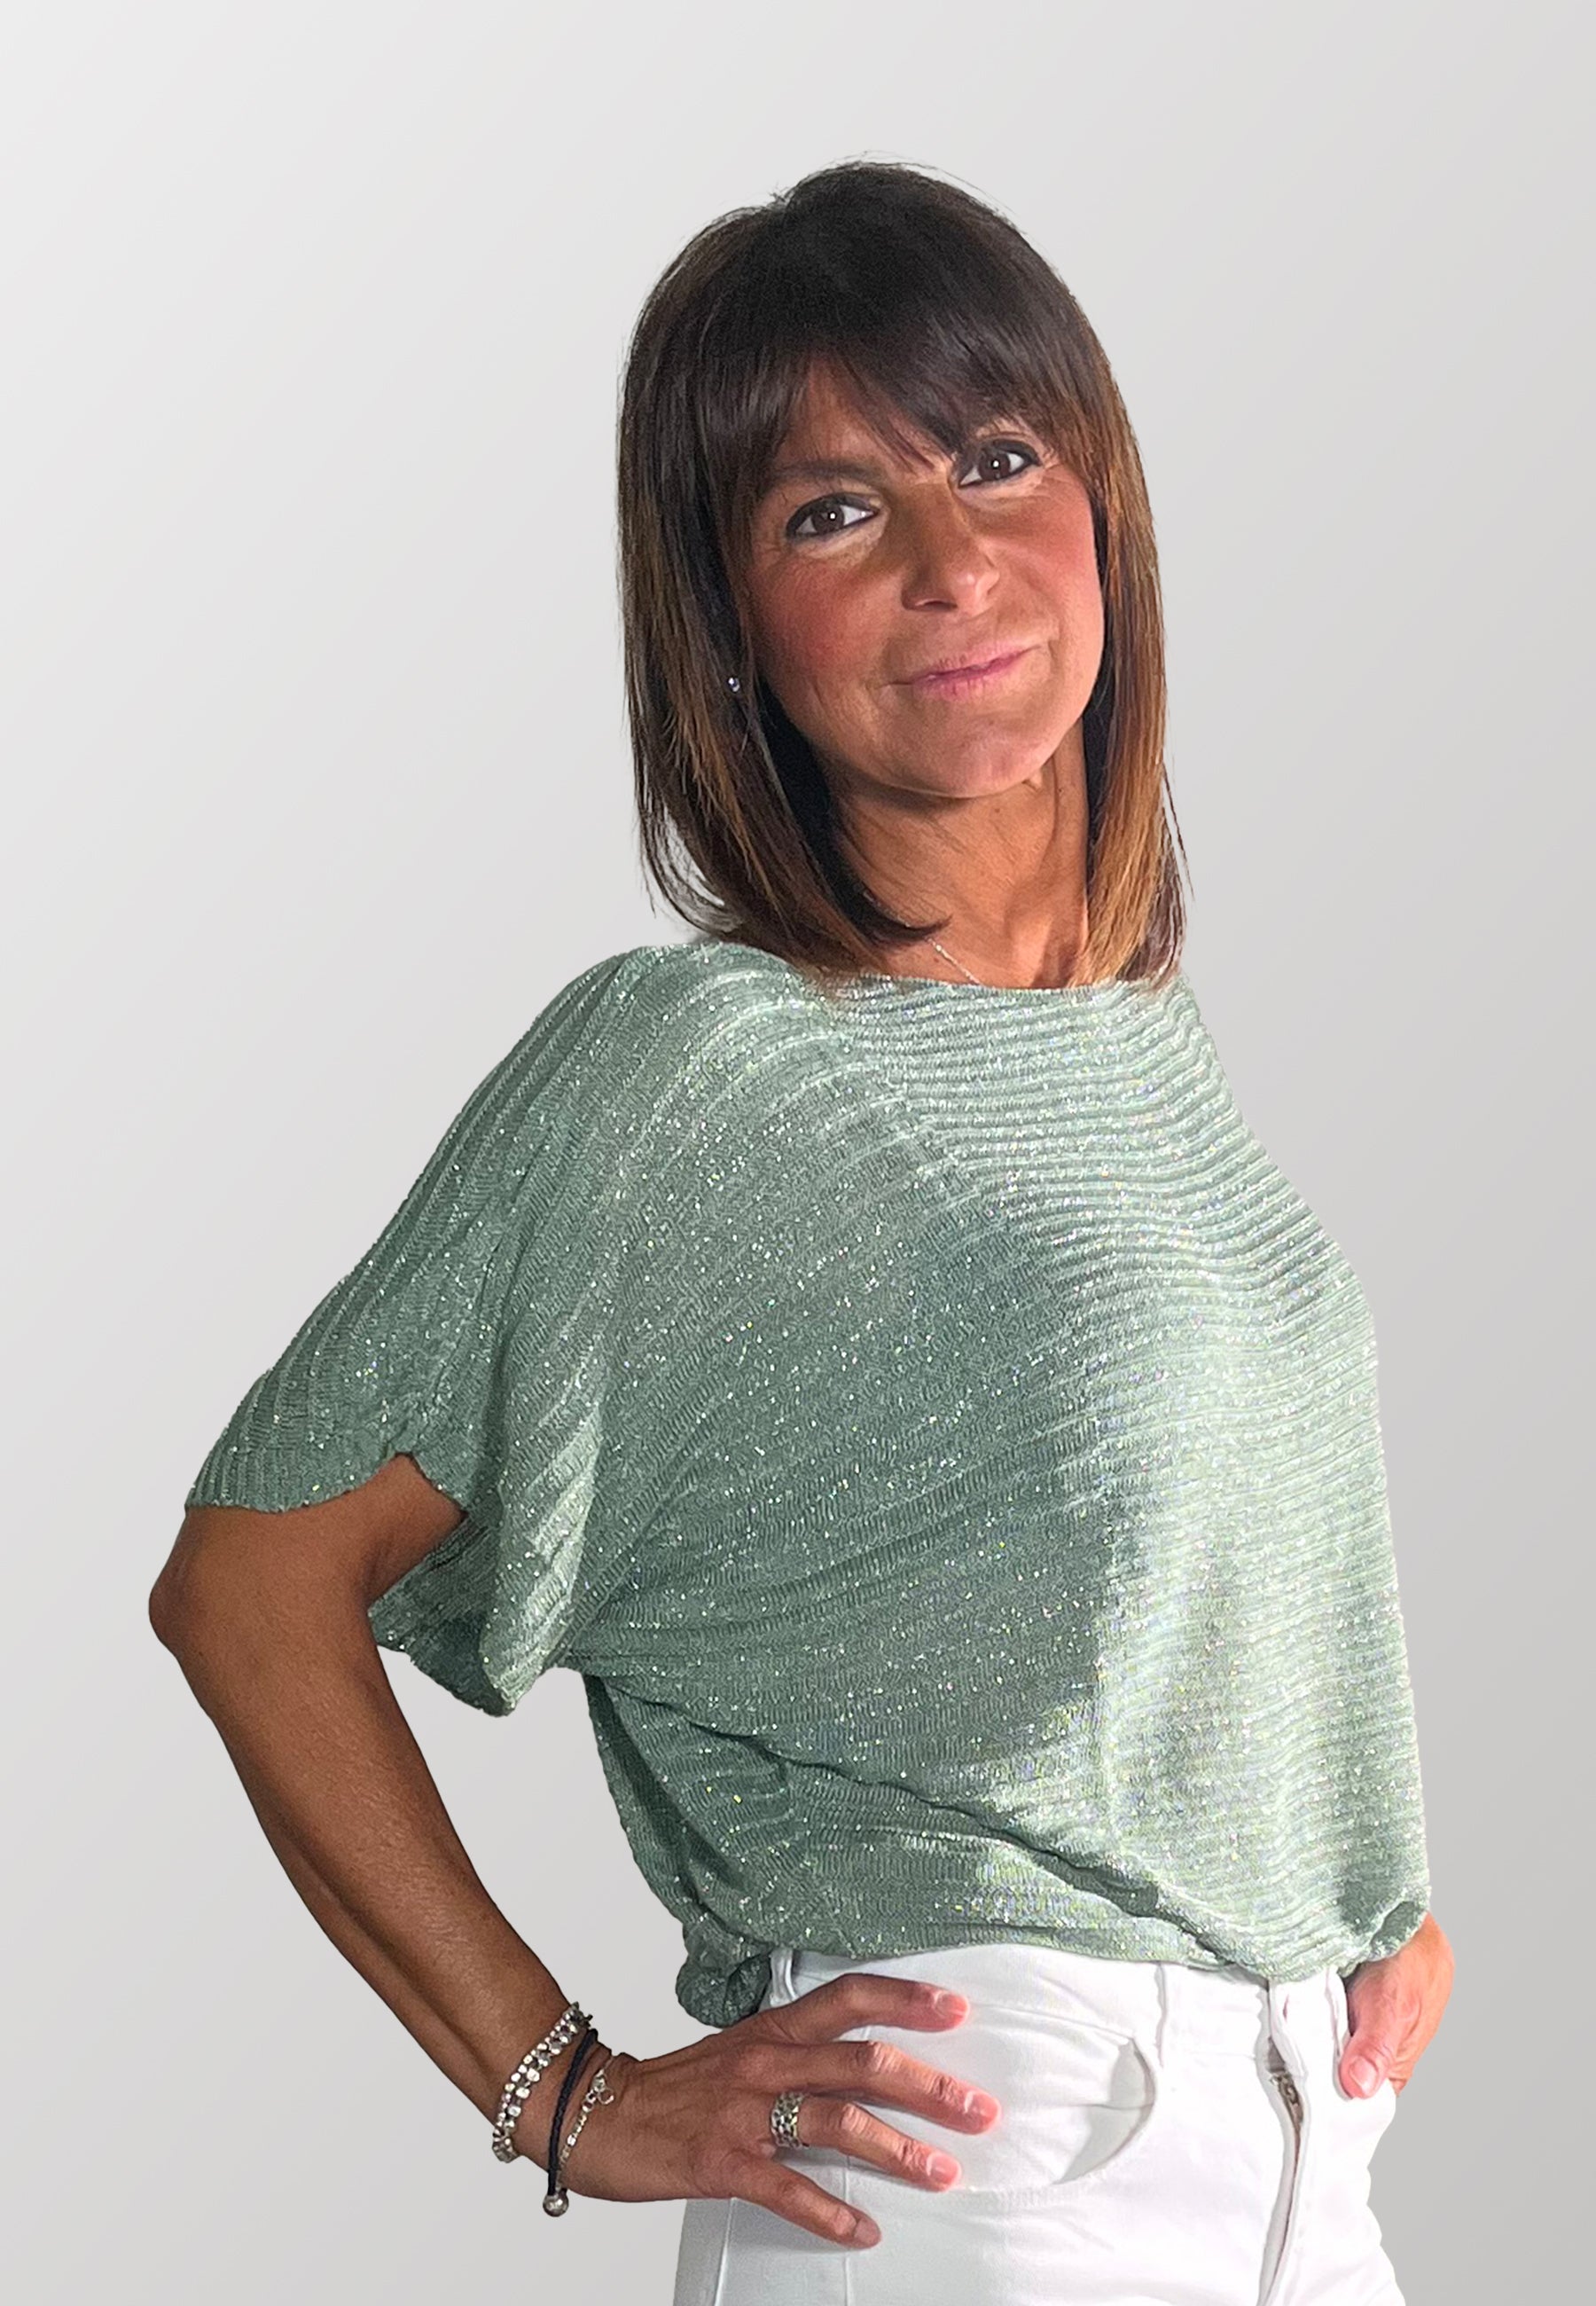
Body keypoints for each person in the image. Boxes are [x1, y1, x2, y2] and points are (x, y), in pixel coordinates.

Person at [150, 159, 1453, 2304]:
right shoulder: (700, 1064)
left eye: (997, 458)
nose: (954, 561)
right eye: (833, 511)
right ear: (733, 625)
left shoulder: (1141, 1043)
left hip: (1304, 2167)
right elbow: (251, 1578)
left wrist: (1341, 1889)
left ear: (1104, 506)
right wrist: (562, 2086)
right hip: (974, 2160)